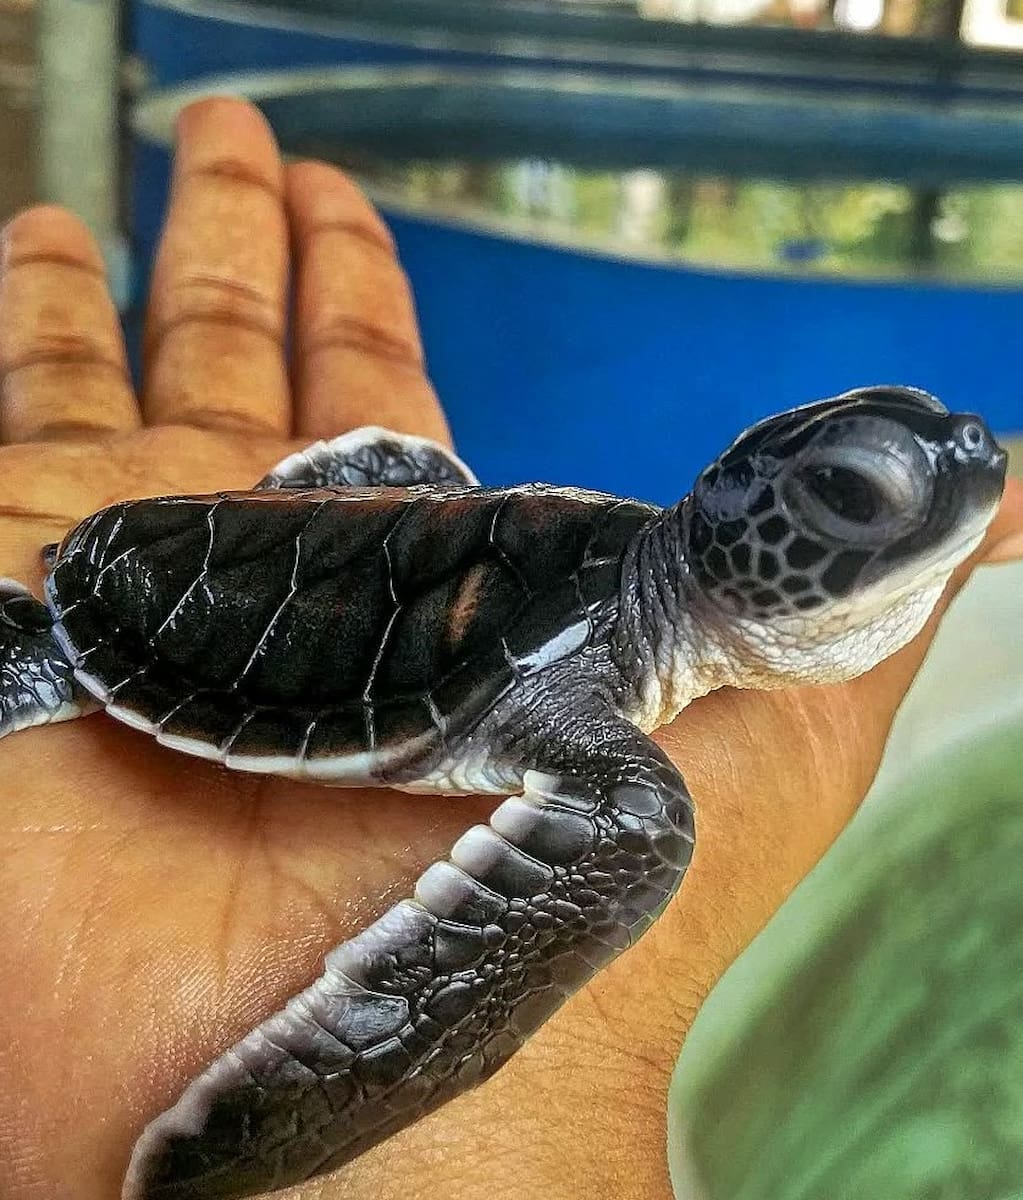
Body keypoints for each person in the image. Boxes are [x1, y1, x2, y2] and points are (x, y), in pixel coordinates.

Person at [1, 98, 1020, 1200]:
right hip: (177, 610)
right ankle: (50, 646)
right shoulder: (625, 789)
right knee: (636, 822)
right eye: (850, 492)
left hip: (367, 549)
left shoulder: (639, 565)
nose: (965, 458)